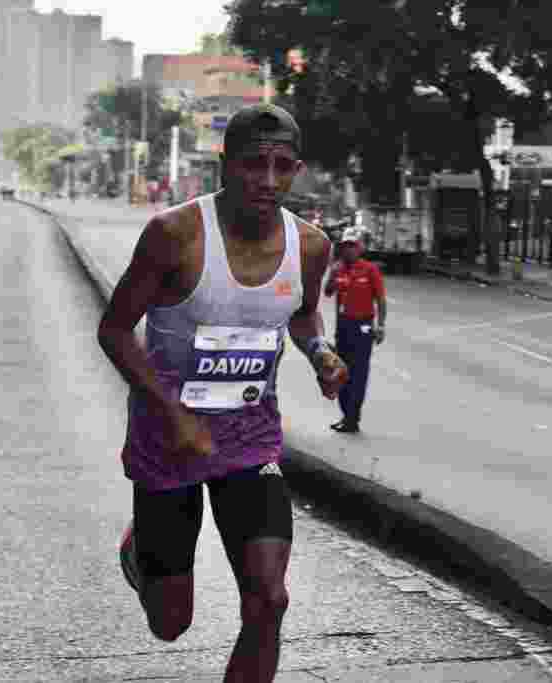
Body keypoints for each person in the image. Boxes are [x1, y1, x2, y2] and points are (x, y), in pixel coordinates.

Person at [97, 103, 348, 683]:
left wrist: (321, 353)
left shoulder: (309, 246)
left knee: (269, 600)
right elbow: (113, 329)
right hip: (169, 442)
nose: (267, 180)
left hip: (249, 441)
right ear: (225, 165)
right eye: (252, 164)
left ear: (296, 169)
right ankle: (141, 551)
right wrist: (172, 412)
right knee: (170, 622)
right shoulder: (174, 234)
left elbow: (304, 316)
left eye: (282, 166)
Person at [324, 227, 387, 433]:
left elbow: (380, 300)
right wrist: (332, 275)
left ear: (359, 248)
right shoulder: (338, 269)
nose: (348, 250)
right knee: (341, 371)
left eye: (352, 246)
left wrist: (381, 326)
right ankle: (346, 415)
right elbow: (327, 293)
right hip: (343, 327)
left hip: (363, 327)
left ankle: (352, 418)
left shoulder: (370, 270)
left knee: (359, 374)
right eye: (345, 247)